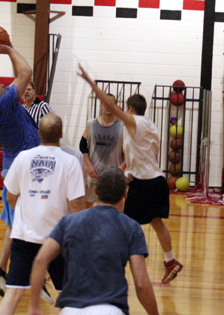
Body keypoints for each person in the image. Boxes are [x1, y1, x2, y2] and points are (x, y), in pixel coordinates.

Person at [78, 64, 183, 284]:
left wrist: (90, 82)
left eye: (123, 108)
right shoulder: (150, 126)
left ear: (129, 109)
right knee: (156, 222)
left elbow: (110, 106)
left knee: (121, 224)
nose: (121, 112)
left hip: (144, 184)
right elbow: (140, 157)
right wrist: (121, 170)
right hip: (156, 181)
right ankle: (170, 260)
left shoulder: (134, 123)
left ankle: (109, 266)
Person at [27, 167, 159, 315]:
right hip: (110, 309)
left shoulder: (68, 222)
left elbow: (40, 260)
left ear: (96, 192)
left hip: (70, 309)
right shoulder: (131, 227)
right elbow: (141, 284)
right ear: (124, 194)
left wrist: (34, 306)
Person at [0, 112, 86, 315]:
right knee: (69, 297)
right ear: (61, 133)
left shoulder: (23, 157)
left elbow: (10, 196)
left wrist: (27, 212)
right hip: (56, 240)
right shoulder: (70, 162)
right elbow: (77, 204)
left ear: (39, 133)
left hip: (23, 237)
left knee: (13, 295)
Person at [0, 42, 40, 297]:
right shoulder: (2, 106)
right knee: (23, 224)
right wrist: (10, 48)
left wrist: (10, 53)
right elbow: (25, 73)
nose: (4, 85)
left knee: (15, 224)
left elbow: (18, 76)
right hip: (19, 173)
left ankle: (3, 268)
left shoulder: (4, 105)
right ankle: (27, 272)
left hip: (18, 169)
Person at [80, 94, 125, 207]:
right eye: (105, 103)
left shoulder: (122, 126)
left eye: (110, 103)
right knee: (87, 209)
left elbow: (131, 150)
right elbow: (82, 145)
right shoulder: (91, 124)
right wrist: (88, 165)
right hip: (94, 173)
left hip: (113, 176)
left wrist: (123, 167)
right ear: (101, 105)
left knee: (116, 210)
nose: (107, 106)